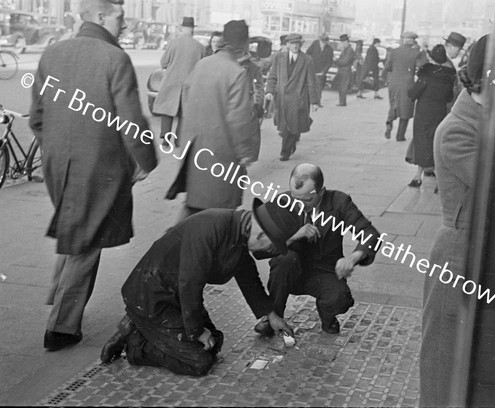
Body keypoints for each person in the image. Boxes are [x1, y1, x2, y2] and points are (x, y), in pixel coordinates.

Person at [29, 0, 158, 351]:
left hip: (58, 166)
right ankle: (61, 328)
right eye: (121, 17)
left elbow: (37, 119)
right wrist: (147, 160)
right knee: (88, 240)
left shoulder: (52, 53)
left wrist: (57, 148)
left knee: (76, 224)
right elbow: (132, 123)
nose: (126, 25)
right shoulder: (114, 58)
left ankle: (58, 296)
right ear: (101, 16)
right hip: (99, 167)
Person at [100, 198, 298, 376]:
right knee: (199, 362)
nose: (268, 252)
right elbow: (190, 283)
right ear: (262, 234)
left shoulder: (240, 229)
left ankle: (141, 326)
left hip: (175, 297)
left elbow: (248, 279)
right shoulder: (211, 228)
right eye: (271, 247)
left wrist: (271, 315)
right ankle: (133, 341)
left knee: (214, 341)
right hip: (151, 296)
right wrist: (195, 331)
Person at [420, 34, 488, 407]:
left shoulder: (483, 121)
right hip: (456, 257)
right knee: (443, 369)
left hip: (472, 253)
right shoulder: (458, 129)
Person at [254, 163, 381, 336]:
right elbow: (259, 250)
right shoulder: (282, 202)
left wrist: (352, 258)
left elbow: (370, 234)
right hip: (291, 270)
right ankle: (273, 317)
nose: (299, 205)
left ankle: (328, 316)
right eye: (295, 197)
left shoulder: (339, 202)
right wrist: (293, 237)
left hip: (324, 271)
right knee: (284, 260)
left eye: (307, 200)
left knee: (340, 299)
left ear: (321, 191)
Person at [165, 20, 256, 220]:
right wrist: (245, 154)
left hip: (195, 149)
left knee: (194, 206)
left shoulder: (202, 64)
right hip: (221, 155)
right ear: (245, 42)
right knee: (219, 215)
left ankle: (177, 242)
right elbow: (238, 120)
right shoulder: (237, 73)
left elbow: (186, 99)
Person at [405, 44, 456, 187]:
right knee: (434, 141)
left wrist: (410, 91)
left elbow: (414, 93)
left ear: (432, 58)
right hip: (439, 112)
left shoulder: (426, 73)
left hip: (424, 113)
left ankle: (417, 177)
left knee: (422, 142)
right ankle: (435, 176)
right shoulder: (449, 75)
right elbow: (449, 97)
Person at [265, 33, 319, 161]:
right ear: (287, 45)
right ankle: (292, 142)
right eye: (292, 43)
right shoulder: (279, 57)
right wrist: (269, 91)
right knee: (285, 127)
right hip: (282, 99)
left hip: (298, 98)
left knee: (292, 125)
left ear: (301, 45)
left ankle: (285, 152)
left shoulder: (307, 60)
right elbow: (273, 76)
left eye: (297, 43)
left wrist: (314, 101)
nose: (295, 46)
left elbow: (311, 81)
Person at [153, 17, 206, 147]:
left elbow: (163, 62)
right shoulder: (200, 48)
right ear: (193, 29)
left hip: (171, 81)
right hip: (189, 84)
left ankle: (166, 138)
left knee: (167, 109)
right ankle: (178, 140)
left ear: (182, 28)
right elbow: (202, 69)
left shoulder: (173, 43)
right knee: (184, 112)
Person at [383, 31, 428, 141]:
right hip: (407, 83)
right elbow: (422, 66)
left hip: (393, 82)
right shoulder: (416, 52)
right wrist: (423, 53)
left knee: (394, 103)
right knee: (406, 109)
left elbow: (387, 66)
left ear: (403, 40)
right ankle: (400, 135)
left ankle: (390, 120)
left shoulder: (394, 51)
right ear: (413, 41)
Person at [237, 44, 264, 161]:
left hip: (246, 107)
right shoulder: (225, 64)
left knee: (245, 140)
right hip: (228, 106)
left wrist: (257, 104)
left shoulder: (253, 67)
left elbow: (258, 87)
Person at [306, 33, 334, 107]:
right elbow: (307, 54)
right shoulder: (315, 44)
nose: (323, 44)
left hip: (321, 71)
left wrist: (324, 71)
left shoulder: (330, 49)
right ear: (319, 40)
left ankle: (317, 102)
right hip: (312, 69)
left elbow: (329, 62)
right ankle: (308, 101)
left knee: (319, 87)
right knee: (310, 85)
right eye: (322, 42)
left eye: (325, 42)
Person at [443, 31, 467, 106]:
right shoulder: (445, 63)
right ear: (450, 46)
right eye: (459, 49)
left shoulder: (446, 60)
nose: (459, 52)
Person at [333, 34, 356, 107]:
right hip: (342, 70)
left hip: (345, 71)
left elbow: (345, 61)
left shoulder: (349, 50)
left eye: (342, 42)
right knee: (341, 86)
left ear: (346, 41)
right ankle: (342, 101)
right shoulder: (346, 49)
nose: (342, 44)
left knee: (343, 87)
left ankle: (342, 102)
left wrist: (336, 61)